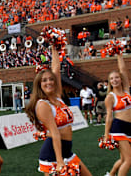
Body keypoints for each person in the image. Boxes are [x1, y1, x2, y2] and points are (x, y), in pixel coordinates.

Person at [25, 45, 91, 176]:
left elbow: (56, 69)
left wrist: (55, 47)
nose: (49, 82)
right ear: (39, 85)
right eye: (44, 81)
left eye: (51, 79)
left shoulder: (58, 98)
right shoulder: (43, 105)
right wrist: (60, 162)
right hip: (53, 155)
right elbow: (55, 134)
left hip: (67, 151)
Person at [104, 53, 131, 176]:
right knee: (130, 159)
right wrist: (106, 135)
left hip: (129, 128)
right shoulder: (110, 97)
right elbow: (109, 117)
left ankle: (110, 174)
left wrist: (119, 54)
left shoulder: (127, 90)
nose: (114, 80)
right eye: (111, 79)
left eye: (117, 77)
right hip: (118, 128)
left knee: (123, 159)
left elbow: (123, 69)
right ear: (109, 82)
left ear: (121, 79)